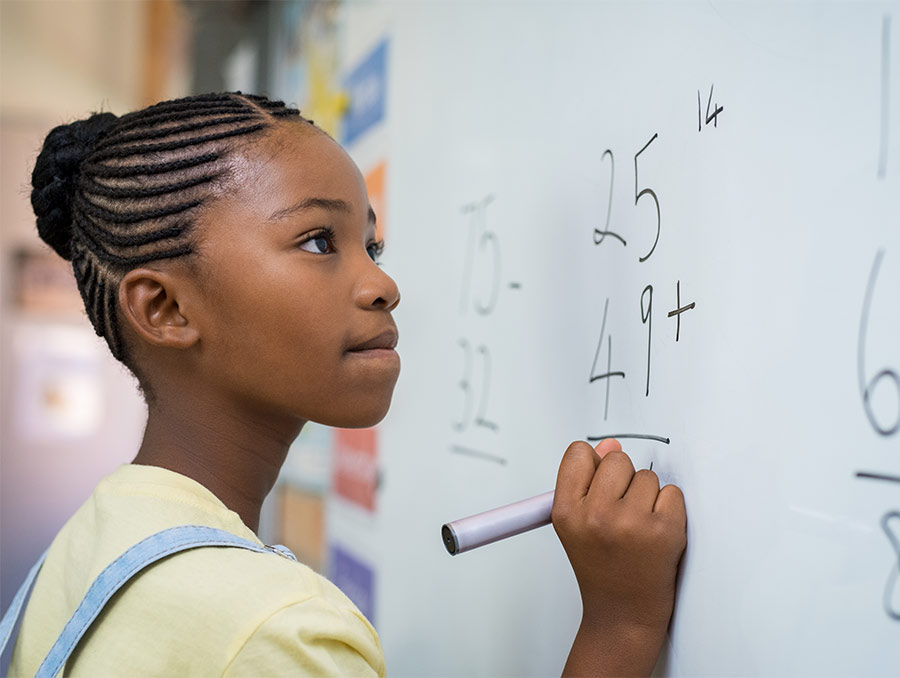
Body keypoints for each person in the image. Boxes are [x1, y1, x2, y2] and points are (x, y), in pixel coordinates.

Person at [5, 92, 686, 677]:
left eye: (372, 246)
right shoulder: (272, 631)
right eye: (317, 243)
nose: (383, 285)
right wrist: (619, 628)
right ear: (166, 310)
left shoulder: (94, 539)